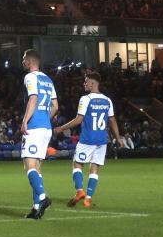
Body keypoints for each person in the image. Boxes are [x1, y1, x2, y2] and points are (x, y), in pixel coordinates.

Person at [53, 72, 123, 208]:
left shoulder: (86, 99)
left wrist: (61, 128)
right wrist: (118, 138)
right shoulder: (107, 100)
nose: (84, 84)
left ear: (92, 83)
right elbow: (112, 120)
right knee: (94, 168)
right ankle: (89, 198)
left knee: (77, 164)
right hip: (102, 140)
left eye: (86, 82)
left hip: (87, 139)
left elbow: (78, 119)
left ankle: (80, 191)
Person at [20, 49, 58, 219]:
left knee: (29, 167)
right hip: (46, 128)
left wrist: (25, 120)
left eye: (24, 59)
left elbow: (33, 98)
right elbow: (55, 106)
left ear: (29, 61)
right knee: (37, 168)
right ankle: (36, 209)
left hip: (34, 127)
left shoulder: (30, 77)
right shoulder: (48, 80)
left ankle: (42, 198)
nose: (22, 62)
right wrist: (44, 119)